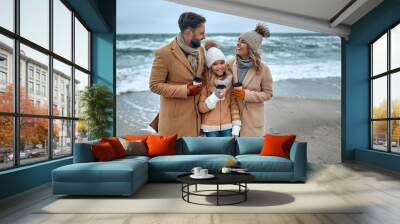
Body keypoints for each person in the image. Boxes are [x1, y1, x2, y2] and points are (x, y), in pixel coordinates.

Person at [149, 12, 206, 136]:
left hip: (197, 122)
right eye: (201, 33)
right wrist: (185, 90)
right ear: (188, 33)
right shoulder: (164, 53)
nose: (204, 37)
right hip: (174, 125)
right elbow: (154, 85)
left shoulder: (201, 50)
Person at [227, 24, 273, 136]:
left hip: (253, 121)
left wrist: (246, 95)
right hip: (232, 118)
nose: (238, 43)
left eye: (243, 41)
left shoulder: (263, 69)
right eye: (238, 40)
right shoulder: (230, 63)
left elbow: (268, 94)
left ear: (251, 47)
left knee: (251, 152)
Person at [198, 40, 241, 137]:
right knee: (214, 152)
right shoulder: (206, 83)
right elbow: (201, 108)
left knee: (228, 152)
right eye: (215, 64)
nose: (219, 67)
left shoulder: (229, 81)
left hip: (228, 127)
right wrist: (214, 97)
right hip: (210, 128)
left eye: (222, 62)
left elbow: (233, 105)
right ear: (210, 66)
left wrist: (236, 125)